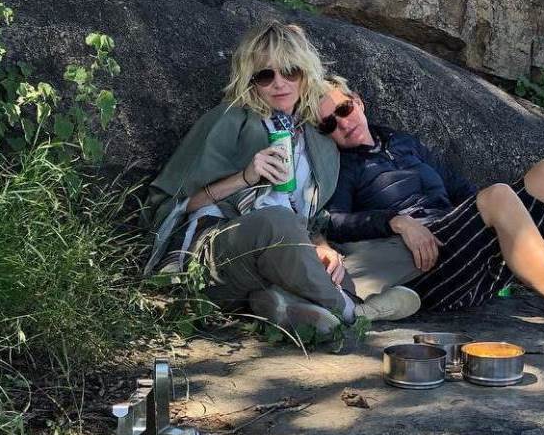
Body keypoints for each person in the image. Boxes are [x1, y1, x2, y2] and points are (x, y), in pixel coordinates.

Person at [317, 77, 544, 359]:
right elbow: (332, 221)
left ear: (358, 102)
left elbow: (461, 190)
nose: (343, 124)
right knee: (497, 195)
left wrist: (497, 217)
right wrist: (396, 221)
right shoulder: (344, 166)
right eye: (329, 124)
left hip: (463, 246)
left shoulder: (402, 142)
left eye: (344, 110)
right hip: (428, 270)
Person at [143, 22, 420, 336]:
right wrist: (245, 177)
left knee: (405, 250)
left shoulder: (317, 139)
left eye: (290, 71)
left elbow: (310, 218)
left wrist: (321, 247)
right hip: (226, 258)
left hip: (290, 251)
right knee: (276, 221)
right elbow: (175, 205)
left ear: (305, 74)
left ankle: (282, 302)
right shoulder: (228, 120)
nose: (279, 84)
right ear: (250, 80)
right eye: (265, 75)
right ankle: (353, 314)